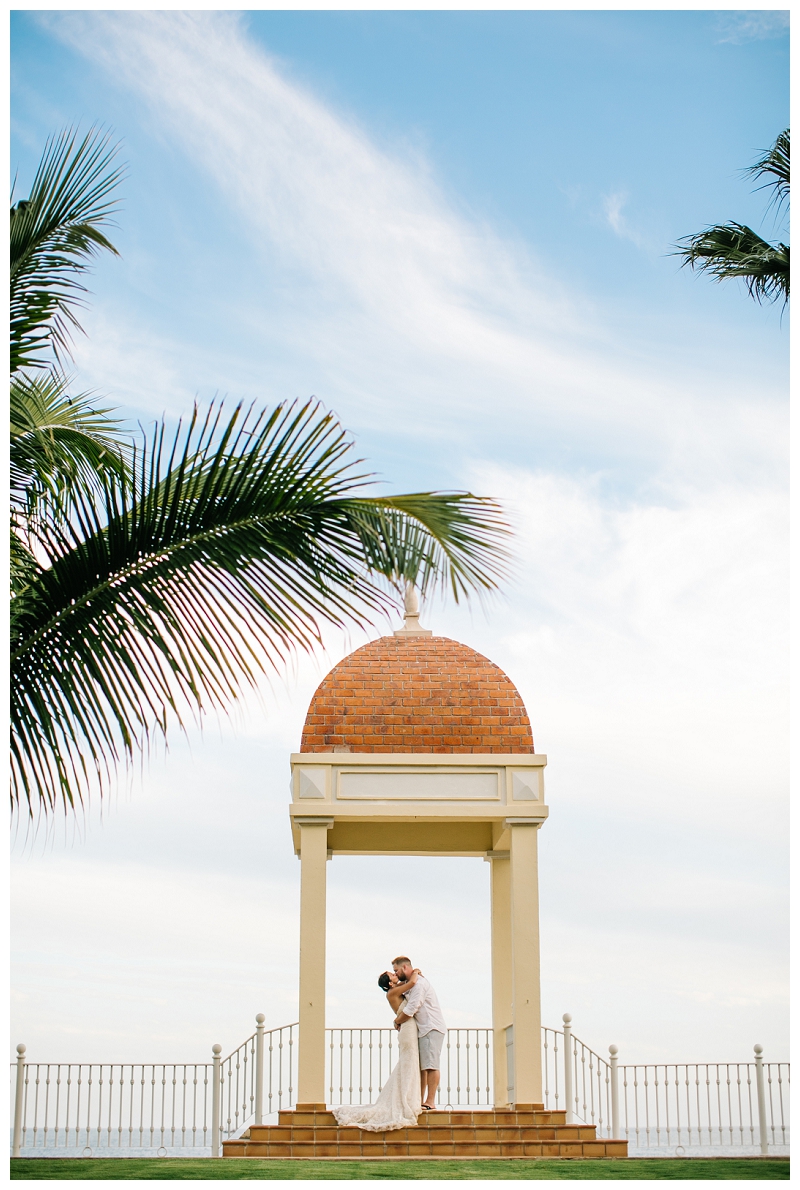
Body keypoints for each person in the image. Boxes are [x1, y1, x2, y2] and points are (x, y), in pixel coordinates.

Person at [330, 965, 423, 1130]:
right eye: (391, 975)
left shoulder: (396, 990)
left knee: (408, 1063)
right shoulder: (393, 992)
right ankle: (406, 1099)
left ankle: (409, 1096)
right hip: (407, 1029)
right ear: (390, 983)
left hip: (409, 1028)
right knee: (409, 1062)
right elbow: (413, 983)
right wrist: (414, 971)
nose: (395, 975)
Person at [390, 956, 446, 1111]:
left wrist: (397, 1021)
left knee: (431, 1065)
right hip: (424, 1029)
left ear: (405, 968)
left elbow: (411, 1008)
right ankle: (419, 1100)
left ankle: (430, 1101)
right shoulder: (410, 984)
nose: (395, 974)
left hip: (431, 1027)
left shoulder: (418, 984)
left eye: (396, 970)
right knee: (424, 1066)